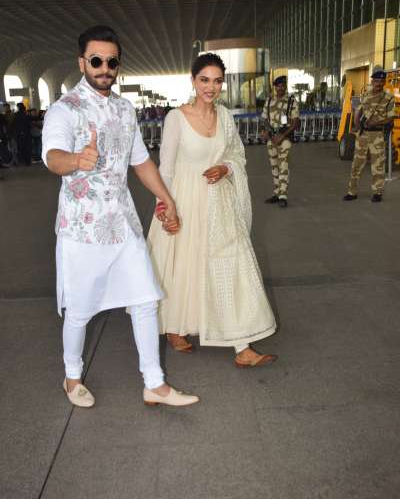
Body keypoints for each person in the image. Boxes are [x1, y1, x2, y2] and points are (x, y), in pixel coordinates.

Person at [42, 25, 199, 408]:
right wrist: (77, 160)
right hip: (82, 228)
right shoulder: (64, 109)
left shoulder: (125, 109)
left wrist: (167, 199)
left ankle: (155, 384)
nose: (104, 67)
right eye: (96, 60)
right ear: (82, 62)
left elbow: (141, 161)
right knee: (79, 310)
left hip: (123, 224)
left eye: (111, 61)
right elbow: (52, 157)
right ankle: (72, 376)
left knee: (145, 300)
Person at [144, 53, 277, 366]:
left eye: (217, 80)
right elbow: (166, 168)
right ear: (193, 81)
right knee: (181, 267)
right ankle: (174, 327)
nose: (211, 86)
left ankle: (241, 347)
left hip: (219, 203)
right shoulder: (176, 118)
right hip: (184, 201)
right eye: (204, 79)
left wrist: (225, 169)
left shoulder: (226, 117)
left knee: (228, 266)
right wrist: (165, 206)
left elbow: (237, 156)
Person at [343, 67, 395, 203]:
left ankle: (377, 192)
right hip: (363, 135)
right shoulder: (365, 95)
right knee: (356, 164)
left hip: (377, 135)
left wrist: (376, 122)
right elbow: (359, 110)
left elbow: (390, 118)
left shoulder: (389, 98)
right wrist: (356, 123)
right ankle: (352, 192)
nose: (378, 83)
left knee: (377, 165)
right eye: (376, 80)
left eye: (381, 81)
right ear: (372, 81)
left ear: (384, 82)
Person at [261, 76, 299, 208]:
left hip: (284, 139)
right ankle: (276, 193)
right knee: (274, 167)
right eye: (278, 86)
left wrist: (282, 136)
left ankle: (283, 195)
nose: (280, 88)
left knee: (283, 166)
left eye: (283, 85)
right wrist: (266, 131)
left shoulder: (291, 101)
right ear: (275, 87)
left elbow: (295, 123)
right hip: (272, 139)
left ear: (285, 86)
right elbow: (264, 119)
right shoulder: (269, 100)